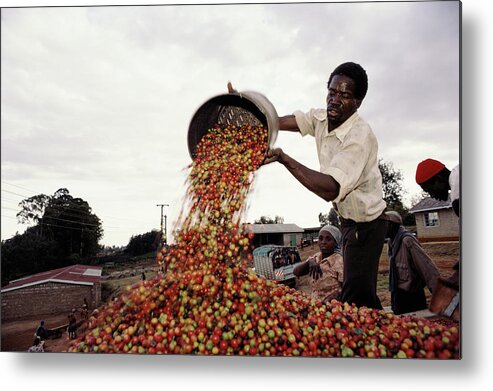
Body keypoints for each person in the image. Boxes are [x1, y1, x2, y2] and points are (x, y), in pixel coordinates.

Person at [260, 62, 387, 309]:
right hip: (348, 220)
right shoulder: (324, 117)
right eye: (332, 92)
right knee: (361, 293)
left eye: (345, 95)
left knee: (355, 297)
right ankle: (379, 330)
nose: (335, 100)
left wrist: (283, 158)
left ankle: (371, 336)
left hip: (368, 225)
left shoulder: (359, 137)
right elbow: (298, 121)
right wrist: (262, 122)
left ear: (358, 102)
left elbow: (330, 188)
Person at [385, 211, 441, 315]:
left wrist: (439, 295)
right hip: (398, 294)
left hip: (412, 296)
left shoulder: (407, 240)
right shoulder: (391, 242)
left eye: (384, 225)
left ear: (391, 225)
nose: (381, 228)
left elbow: (426, 267)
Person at [294, 225, 344, 304]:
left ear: (336, 242)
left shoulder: (339, 261)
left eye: (328, 239)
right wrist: (309, 262)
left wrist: (332, 300)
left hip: (332, 309)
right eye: (320, 238)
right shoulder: (316, 257)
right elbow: (296, 272)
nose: (323, 242)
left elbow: (346, 289)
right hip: (314, 307)